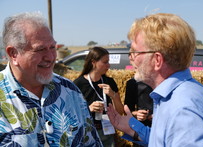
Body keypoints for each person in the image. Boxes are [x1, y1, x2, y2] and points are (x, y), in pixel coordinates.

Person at [107, 13, 203, 146]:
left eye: (135, 52)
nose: (131, 57)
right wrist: (132, 128)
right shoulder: (171, 97)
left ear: (157, 60)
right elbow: (164, 141)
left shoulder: (184, 109)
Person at [0, 12, 102, 147]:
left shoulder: (70, 91)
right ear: (14, 54)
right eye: (40, 49)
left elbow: (91, 143)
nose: (50, 57)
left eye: (52, 47)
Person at [74, 46, 124, 147]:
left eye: (108, 62)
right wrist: (89, 109)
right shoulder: (78, 84)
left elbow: (120, 111)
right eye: (105, 62)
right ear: (93, 62)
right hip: (87, 132)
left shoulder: (109, 82)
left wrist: (113, 95)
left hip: (106, 131)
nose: (108, 65)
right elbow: (72, 113)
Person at [124, 53, 153, 129]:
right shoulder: (132, 83)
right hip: (142, 128)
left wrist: (157, 115)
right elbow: (128, 109)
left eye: (134, 59)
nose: (132, 63)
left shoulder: (162, 80)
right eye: (131, 60)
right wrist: (137, 114)